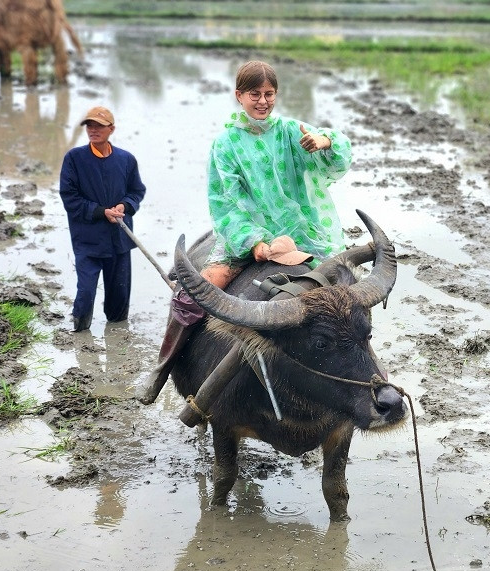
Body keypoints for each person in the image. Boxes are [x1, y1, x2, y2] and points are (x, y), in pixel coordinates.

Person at [139, 60, 353, 405]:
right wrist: (253, 241)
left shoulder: (289, 131)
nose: (263, 101)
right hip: (246, 239)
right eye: (255, 94)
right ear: (239, 96)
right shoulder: (226, 145)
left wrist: (325, 140)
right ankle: (162, 369)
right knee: (194, 295)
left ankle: (366, 374)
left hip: (301, 233)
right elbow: (226, 201)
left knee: (347, 295)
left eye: (269, 94)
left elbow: (339, 154)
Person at [59, 106, 146, 332]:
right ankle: (80, 333)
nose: (93, 130)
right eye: (90, 125)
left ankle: (117, 340)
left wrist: (124, 206)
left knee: (119, 299)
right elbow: (69, 197)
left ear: (111, 129)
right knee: (86, 292)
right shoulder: (74, 159)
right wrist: (101, 212)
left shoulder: (126, 160)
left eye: (99, 125)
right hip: (88, 240)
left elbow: (136, 191)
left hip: (119, 239)